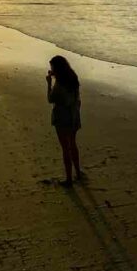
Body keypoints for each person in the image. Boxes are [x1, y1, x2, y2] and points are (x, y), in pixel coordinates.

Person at [46, 55, 82, 187]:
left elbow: (50, 99)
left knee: (65, 148)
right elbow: (77, 98)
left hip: (62, 117)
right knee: (73, 144)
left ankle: (69, 179)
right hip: (74, 116)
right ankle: (78, 172)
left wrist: (49, 84)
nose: (51, 70)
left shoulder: (59, 84)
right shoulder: (73, 78)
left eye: (52, 67)